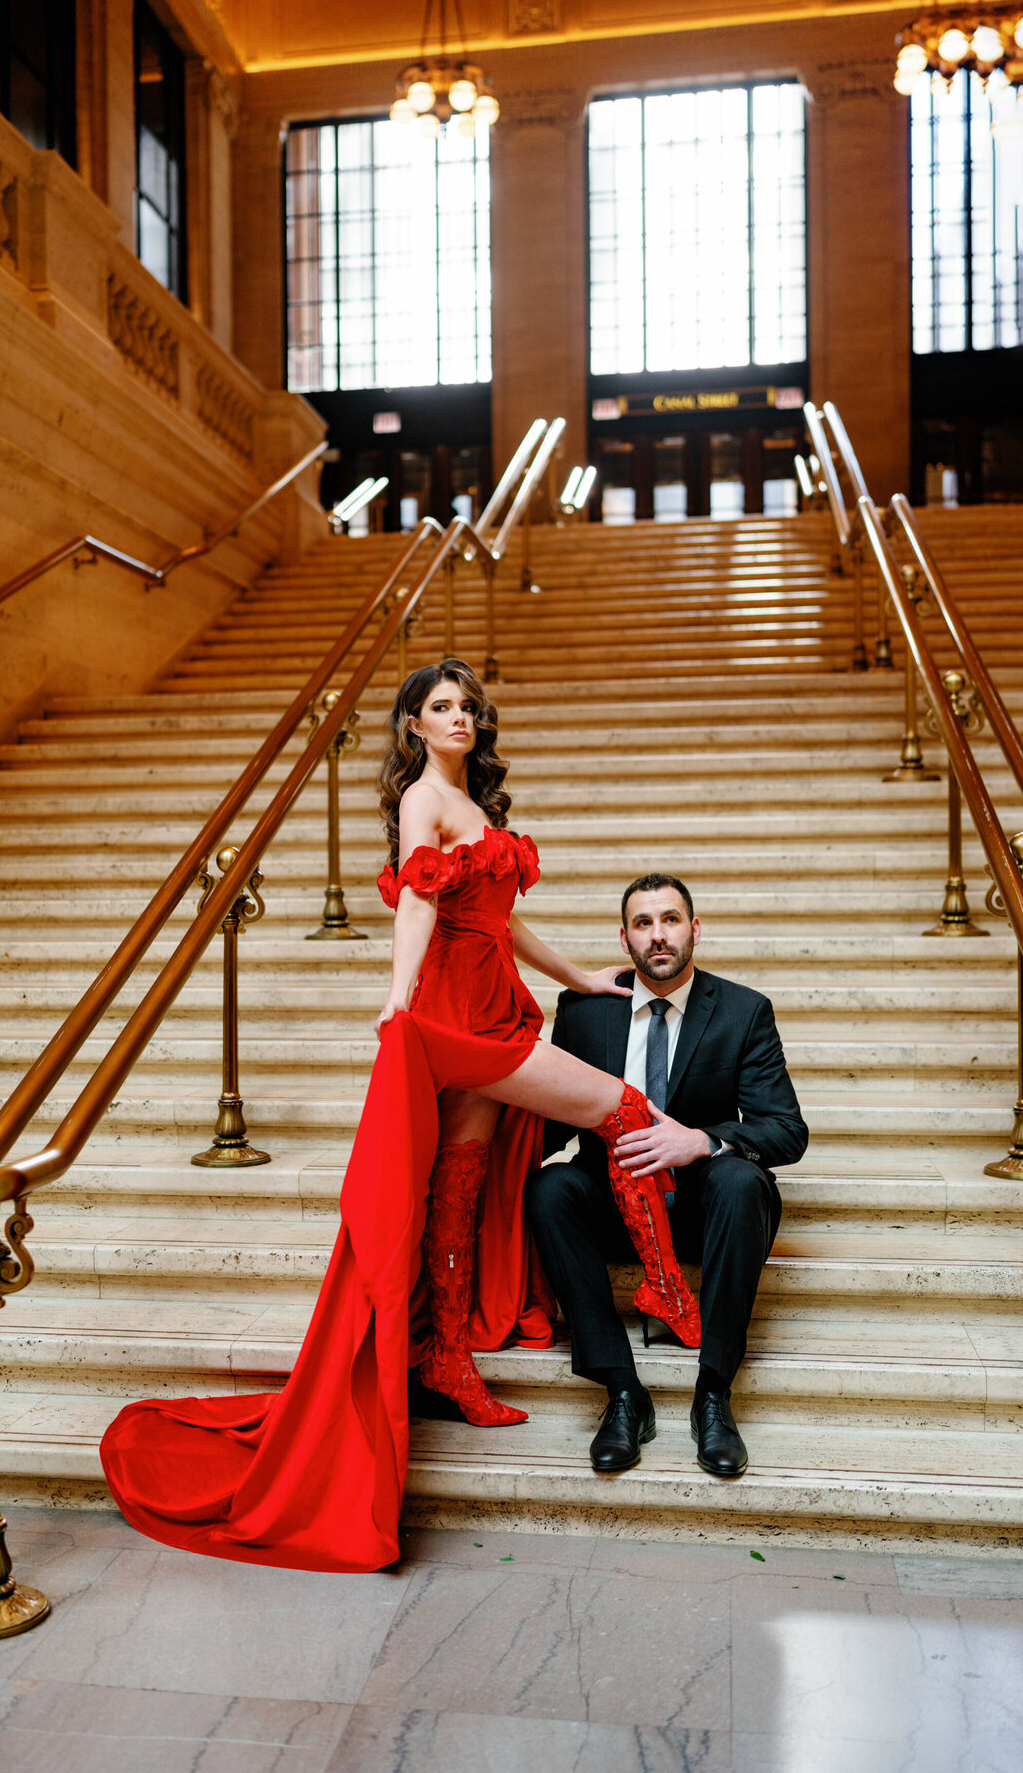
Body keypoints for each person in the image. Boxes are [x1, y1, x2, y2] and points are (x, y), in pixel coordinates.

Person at [99, 663, 696, 1573]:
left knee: (459, 1179)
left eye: (466, 706)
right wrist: (397, 996)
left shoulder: (474, 806)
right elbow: (419, 901)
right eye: (441, 708)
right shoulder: (426, 800)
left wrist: (575, 977)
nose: (459, 718)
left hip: (491, 997)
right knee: (623, 1108)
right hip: (458, 1013)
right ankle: (661, 1285)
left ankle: (447, 1357)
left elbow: (497, 916)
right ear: (414, 726)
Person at [528, 873, 808, 1481]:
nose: (659, 935)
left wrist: (700, 1141)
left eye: (671, 919)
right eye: (643, 923)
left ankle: (714, 1394)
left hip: (705, 1208)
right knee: (549, 1189)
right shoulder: (582, 1010)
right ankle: (623, 1392)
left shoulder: (742, 1011)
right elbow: (548, 1128)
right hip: (615, 1203)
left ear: (695, 929)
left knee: (742, 1181)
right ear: (625, 938)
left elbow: (787, 1130)